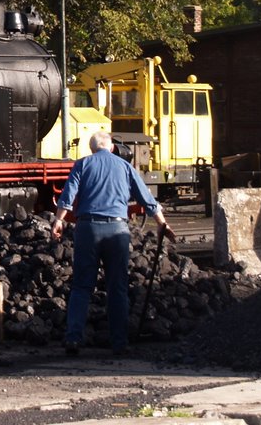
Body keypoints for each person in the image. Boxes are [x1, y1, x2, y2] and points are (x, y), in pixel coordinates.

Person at [51, 130, 175, 356]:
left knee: (81, 286)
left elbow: (68, 196)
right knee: (116, 287)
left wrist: (58, 221)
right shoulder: (125, 167)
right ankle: (119, 342)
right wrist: (162, 223)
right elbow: (147, 198)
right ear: (112, 148)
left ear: (92, 149)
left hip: (87, 228)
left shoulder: (82, 165)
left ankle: (73, 338)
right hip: (117, 230)